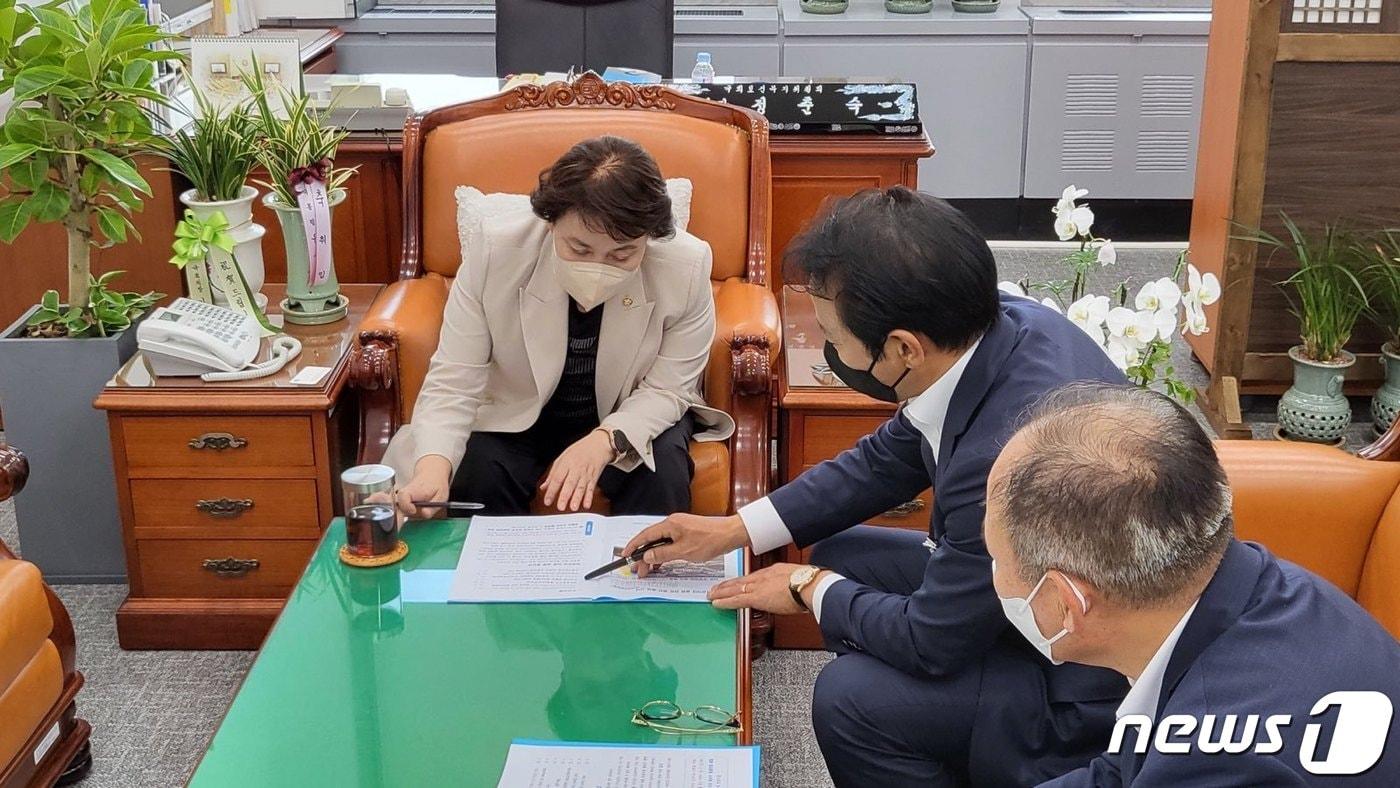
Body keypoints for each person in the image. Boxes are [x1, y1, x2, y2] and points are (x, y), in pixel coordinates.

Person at [624, 187, 1130, 786]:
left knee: (849, 697)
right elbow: (884, 461)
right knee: (848, 555)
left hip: (1081, 687)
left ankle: (956, 737)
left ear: (902, 348)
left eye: (834, 340)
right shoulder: (1005, 327)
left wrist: (808, 587)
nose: (828, 351)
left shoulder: (1005, 461)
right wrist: (732, 530)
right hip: (1031, 595)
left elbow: (929, 642)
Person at [986, 383, 1400, 786]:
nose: (995, 577)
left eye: (997, 559)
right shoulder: (1259, 583)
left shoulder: (1218, 764)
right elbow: (1118, 771)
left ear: (1067, 602)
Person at [385, 136, 733, 519]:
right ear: (550, 223)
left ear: (647, 240)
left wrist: (604, 441)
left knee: (660, 468)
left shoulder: (686, 265)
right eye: (579, 249)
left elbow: (670, 388)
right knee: (479, 470)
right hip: (519, 411)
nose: (598, 267)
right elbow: (455, 376)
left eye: (622, 254)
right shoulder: (497, 250)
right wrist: (432, 468)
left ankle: (644, 576)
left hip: (631, 408)